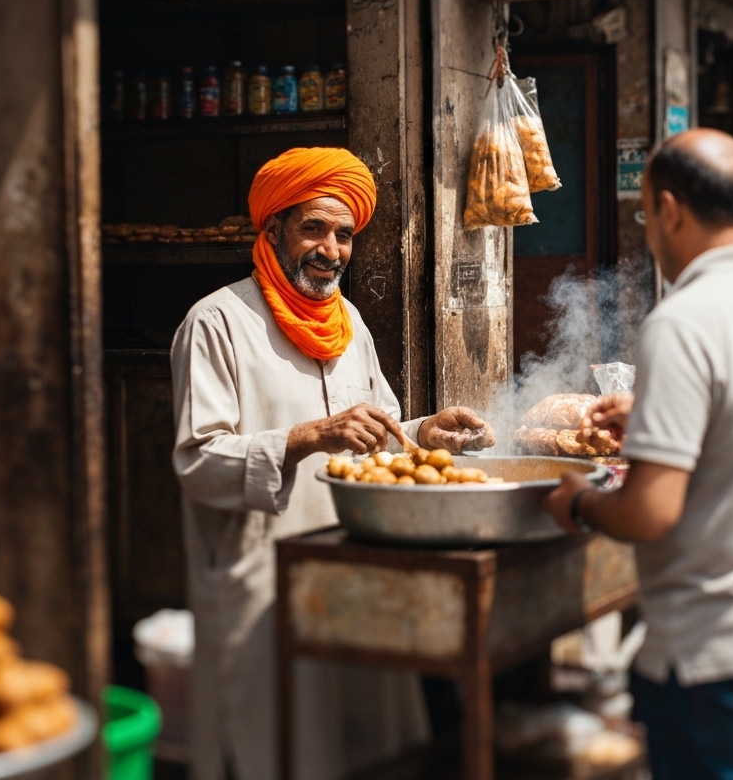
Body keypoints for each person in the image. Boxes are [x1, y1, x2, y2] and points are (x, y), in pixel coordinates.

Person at [171, 148, 495, 780]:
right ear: (273, 231)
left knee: (360, 751)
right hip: (261, 577)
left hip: (348, 571)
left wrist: (419, 430)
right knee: (277, 748)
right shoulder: (216, 323)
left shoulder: (348, 323)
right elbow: (197, 461)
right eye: (313, 228)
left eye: (343, 235)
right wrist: (309, 435)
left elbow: (368, 434)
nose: (331, 249)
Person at [544, 129, 733, 780]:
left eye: (643, 214)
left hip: (722, 660)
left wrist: (579, 501)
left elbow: (650, 512)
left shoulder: (685, 321)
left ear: (668, 209)